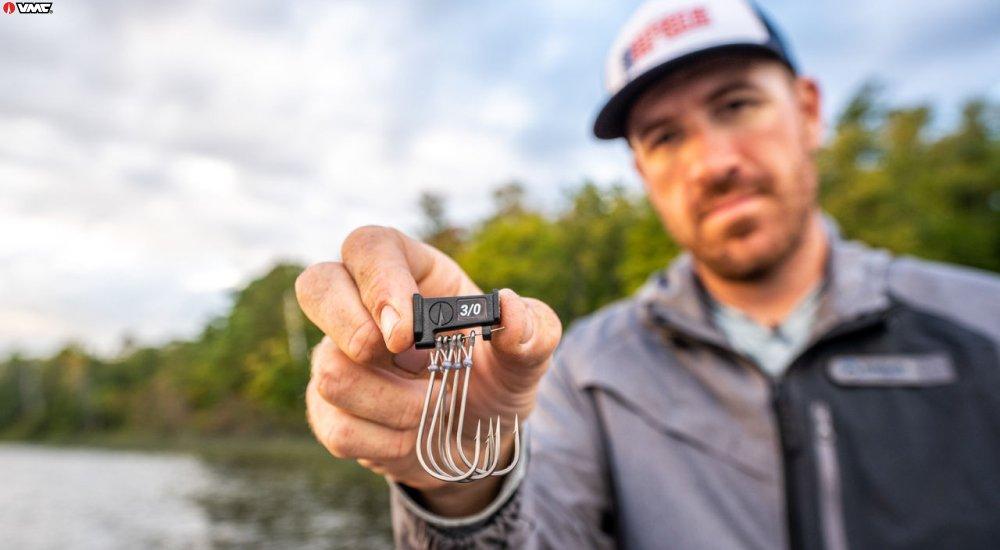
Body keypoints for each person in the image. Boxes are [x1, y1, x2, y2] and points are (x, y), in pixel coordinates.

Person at [294, 0, 1000, 547]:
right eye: (666, 136)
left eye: (737, 105)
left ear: (809, 112)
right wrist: (462, 478)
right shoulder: (583, 373)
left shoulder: (984, 320)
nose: (713, 161)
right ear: (642, 171)